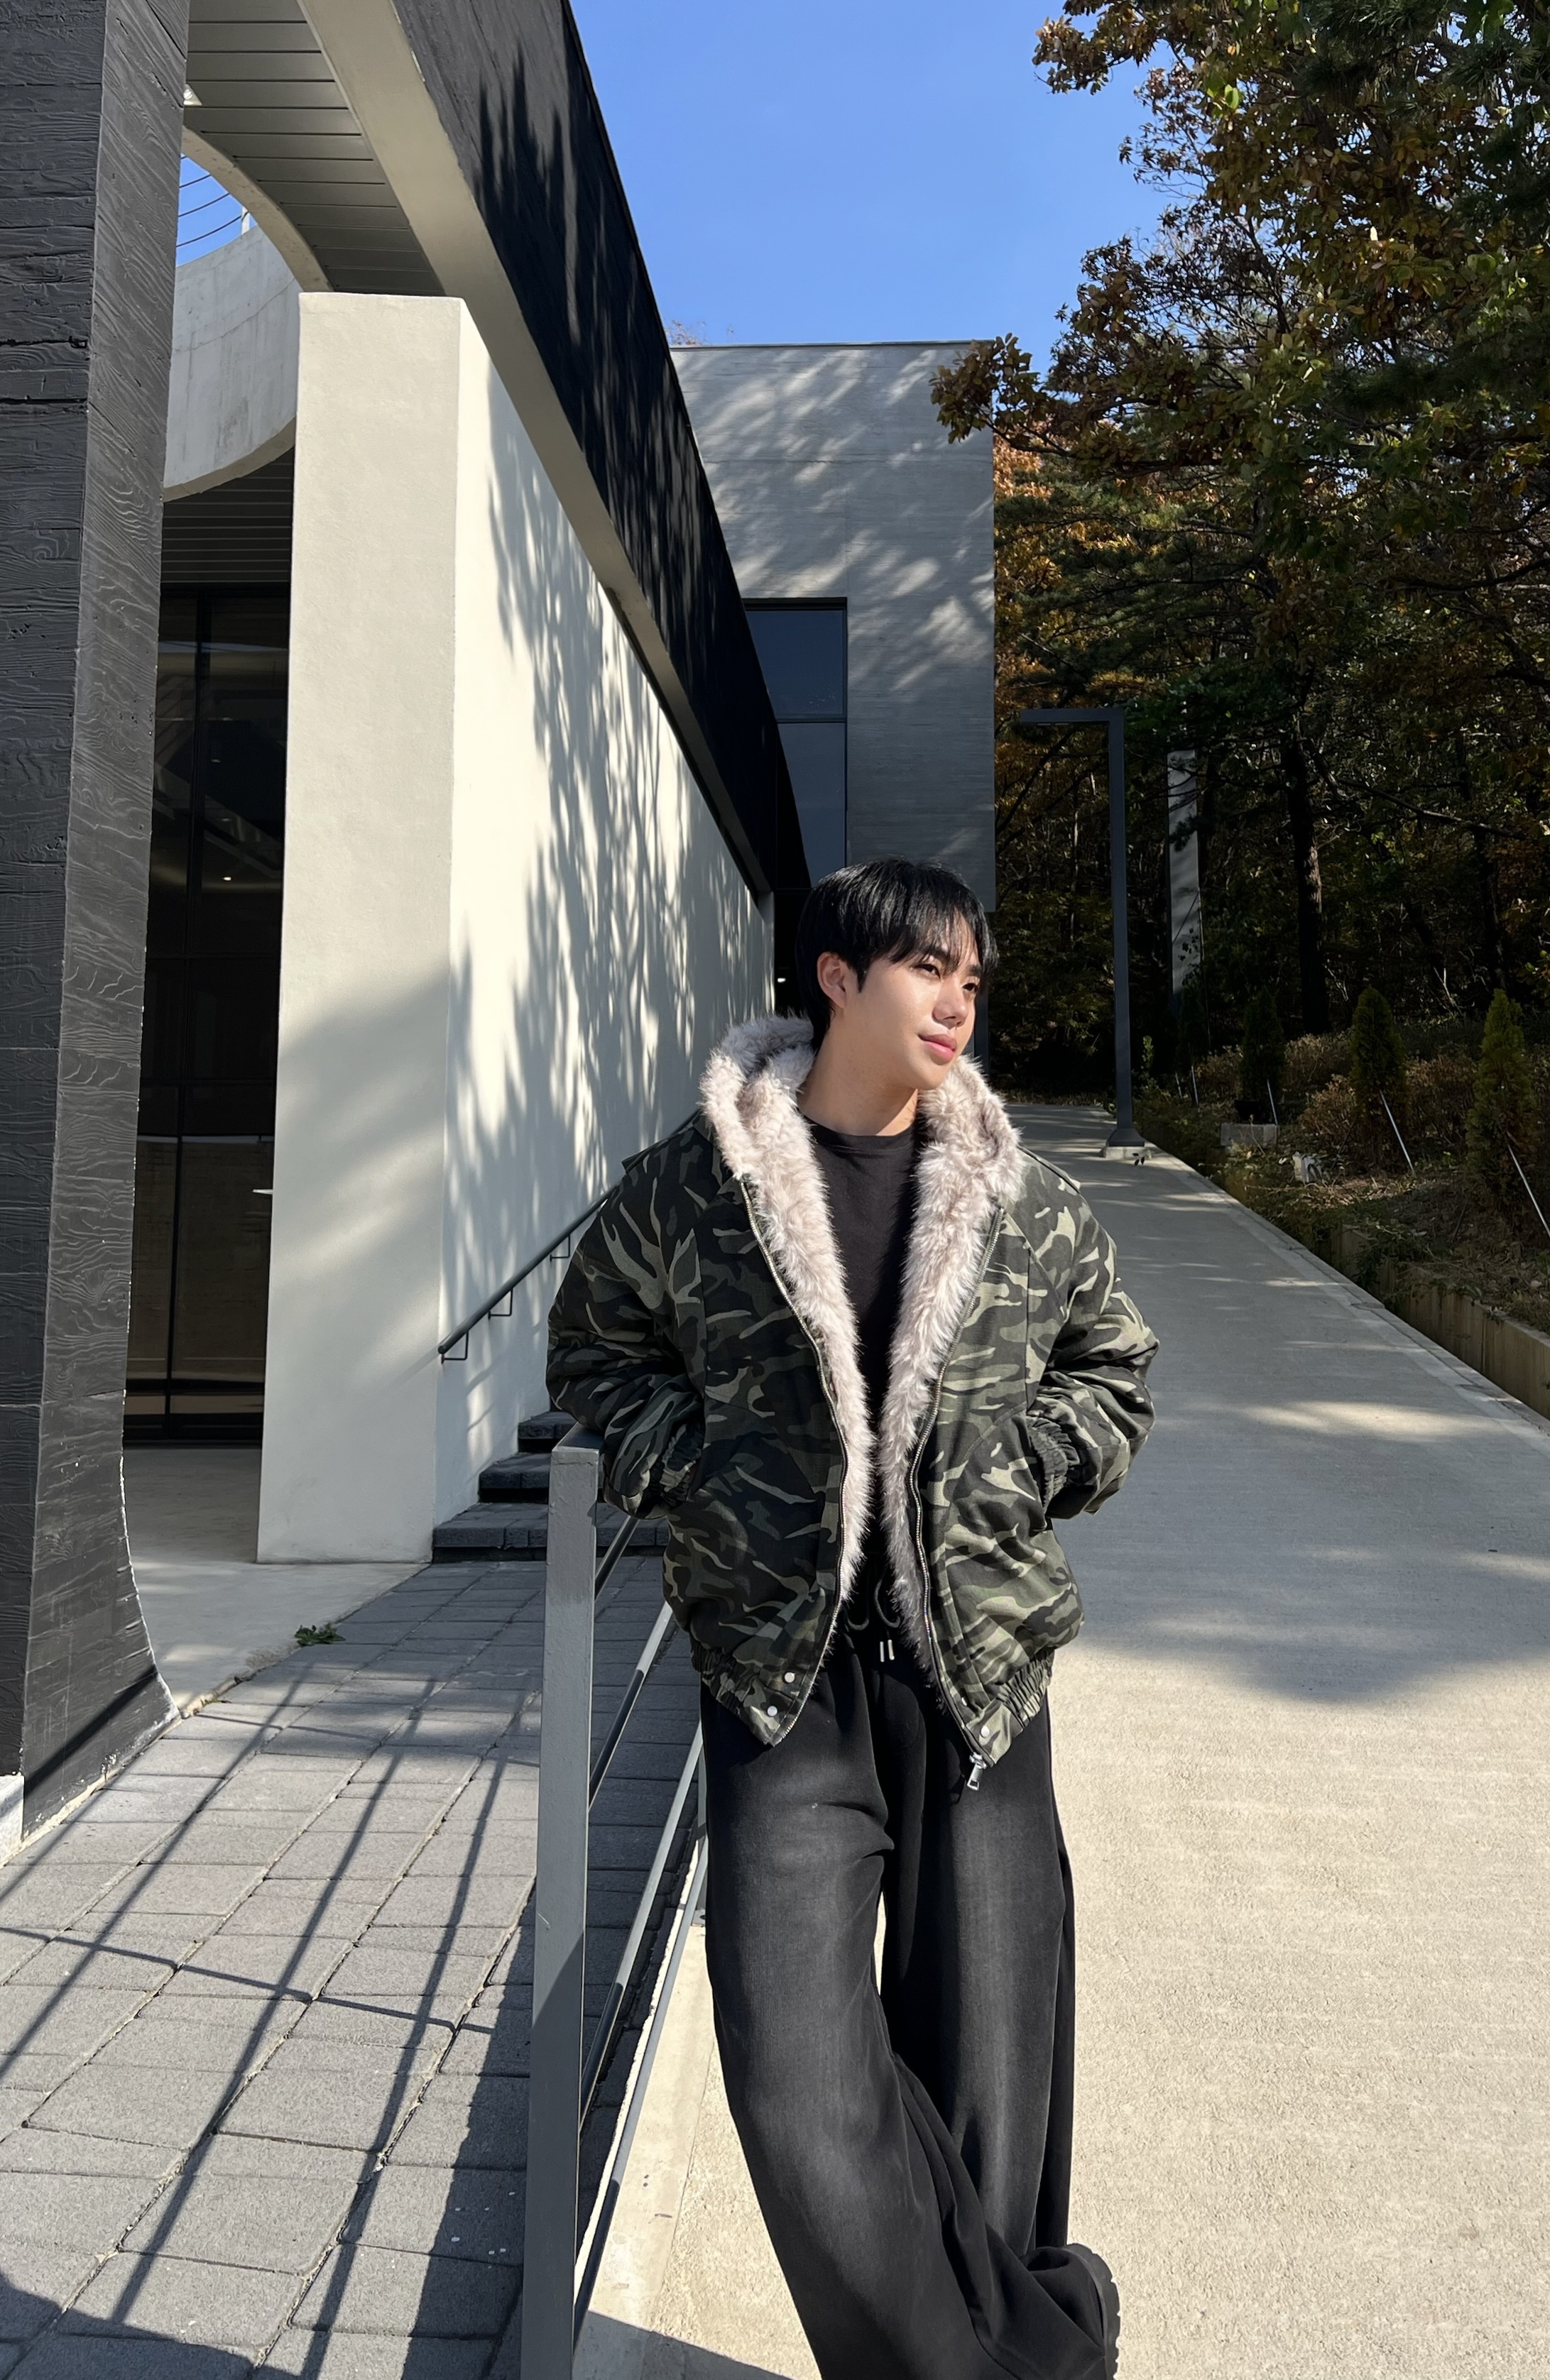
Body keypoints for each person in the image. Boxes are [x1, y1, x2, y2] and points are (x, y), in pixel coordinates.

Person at [547, 857, 1157, 2379]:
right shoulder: (696, 1188)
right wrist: (706, 1470)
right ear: (836, 976)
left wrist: (1019, 1468)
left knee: (987, 2087)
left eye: (972, 978)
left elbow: (1116, 1369)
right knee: (799, 2081)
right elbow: (593, 1352)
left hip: (978, 1683)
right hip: (782, 1679)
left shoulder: (1020, 1198)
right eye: (928, 969)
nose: (958, 1001)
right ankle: (1031, 2352)